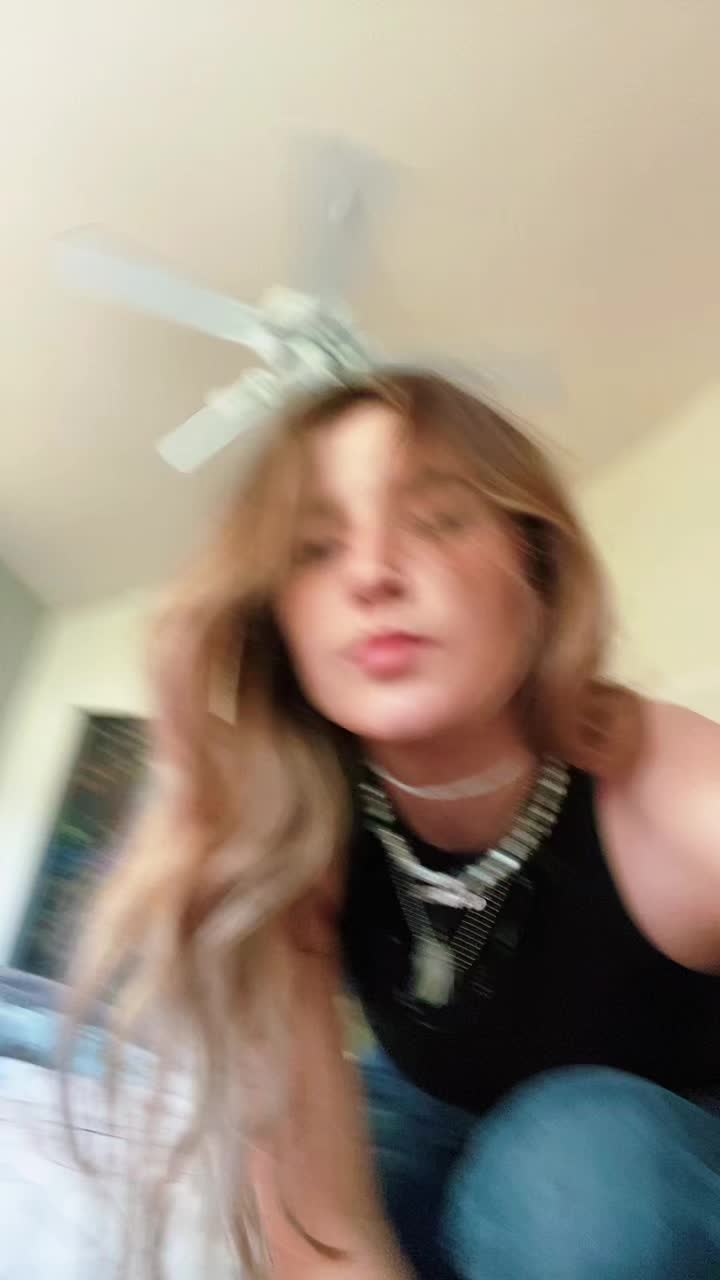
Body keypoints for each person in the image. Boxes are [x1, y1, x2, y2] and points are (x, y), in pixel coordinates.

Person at [75, 372, 720, 1279]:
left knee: (581, 1177)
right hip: (426, 1108)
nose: (372, 573)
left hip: (662, 1154)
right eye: (315, 549)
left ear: (536, 567)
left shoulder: (684, 798)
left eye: (438, 520)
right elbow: (325, 1237)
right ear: (279, 622)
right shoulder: (288, 830)